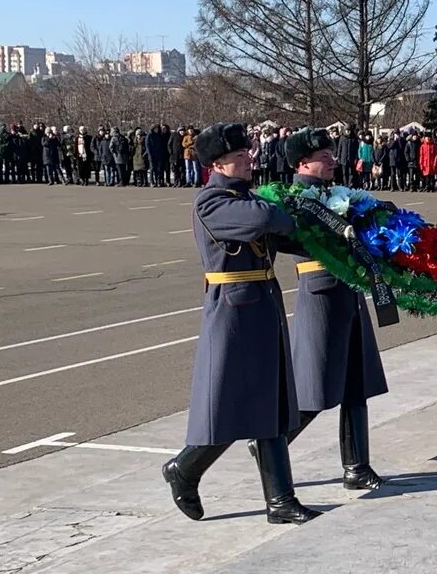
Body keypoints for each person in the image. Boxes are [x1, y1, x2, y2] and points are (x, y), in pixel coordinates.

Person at [160, 122, 320, 525]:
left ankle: (281, 501)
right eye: (239, 157)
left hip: (262, 306)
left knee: (271, 404)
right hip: (232, 312)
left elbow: (286, 230)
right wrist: (283, 212)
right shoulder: (212, 202)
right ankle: (185, 469)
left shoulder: (245, 197)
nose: (249, 160)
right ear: (217, 163)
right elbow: (267, 219)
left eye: (248, 154)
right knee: (229, 405)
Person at [275, 127, 387, 490]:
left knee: (357, 382)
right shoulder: (292, 198)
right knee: (317, 385)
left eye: (331, 155)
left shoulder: (336, 193)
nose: (332, 161)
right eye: (324, 157)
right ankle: (272, 445)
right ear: (302, 162)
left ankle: (357, 467)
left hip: (349, 289)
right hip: (321, 291)